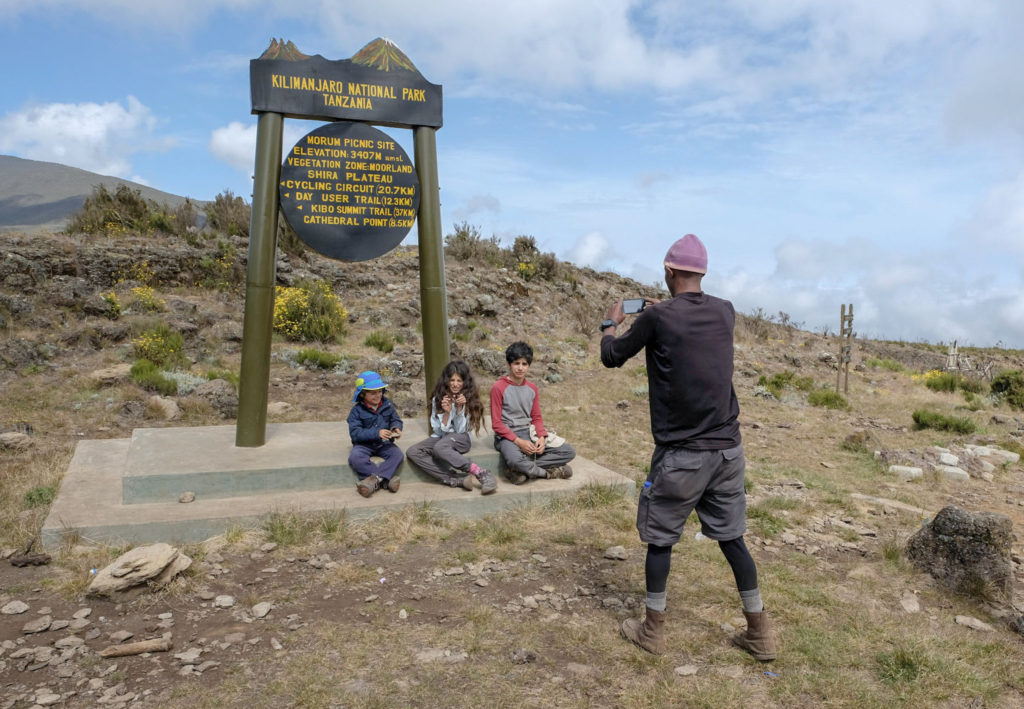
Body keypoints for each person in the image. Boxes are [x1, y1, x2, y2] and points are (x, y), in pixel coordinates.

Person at [599, 233, 777, 661]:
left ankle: (652, 631)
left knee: (661, 540)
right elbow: (691, 317)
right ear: (702, 272)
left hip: (682, 455)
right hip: (728, 452)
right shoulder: (726, 312)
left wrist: (611, 324)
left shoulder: (655, 319)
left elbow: (612, 356)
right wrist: (664, 311)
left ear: (668, 272)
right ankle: (759, 632)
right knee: (732, 538)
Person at [407, 360, 498, 494]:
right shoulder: (437, 399)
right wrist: (447, 414)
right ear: (446, 381)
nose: (455, 384)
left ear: (465, 382)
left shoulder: (469, 398)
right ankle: (455, 479)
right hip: (442, 438)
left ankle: (481, 473)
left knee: (440, 447)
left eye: (459, 381)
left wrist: (461, 409)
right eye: (452, 380)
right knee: (413, 451)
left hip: (461, 439)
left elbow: (461, 431)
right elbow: (437, 430)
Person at [491, 341, 576, 484]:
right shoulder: (498, 387)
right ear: (508, 364)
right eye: (516, 363)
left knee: (568, 452)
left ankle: (519, 470)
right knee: (514, 459)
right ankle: (548, 473)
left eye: (524, 364)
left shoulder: (532, 388)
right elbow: (497, 424)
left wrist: (541, 437)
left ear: (529, 366)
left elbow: (536, 417)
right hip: (507, 436)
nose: (520, 368)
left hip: (529, 432)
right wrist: (519, 442)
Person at [347, 370, 404, 498]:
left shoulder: (388, 405)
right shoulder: (356, 411)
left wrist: (396, 428)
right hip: (364, 445)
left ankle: (374, 481)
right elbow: (355, 433)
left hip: (384, 443)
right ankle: (385, 480)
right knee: (355, 458)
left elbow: (395, 419)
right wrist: (376, 433)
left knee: (398, 455)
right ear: (362, 394)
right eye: (372, 393)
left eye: (379, 391)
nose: (377, 395)